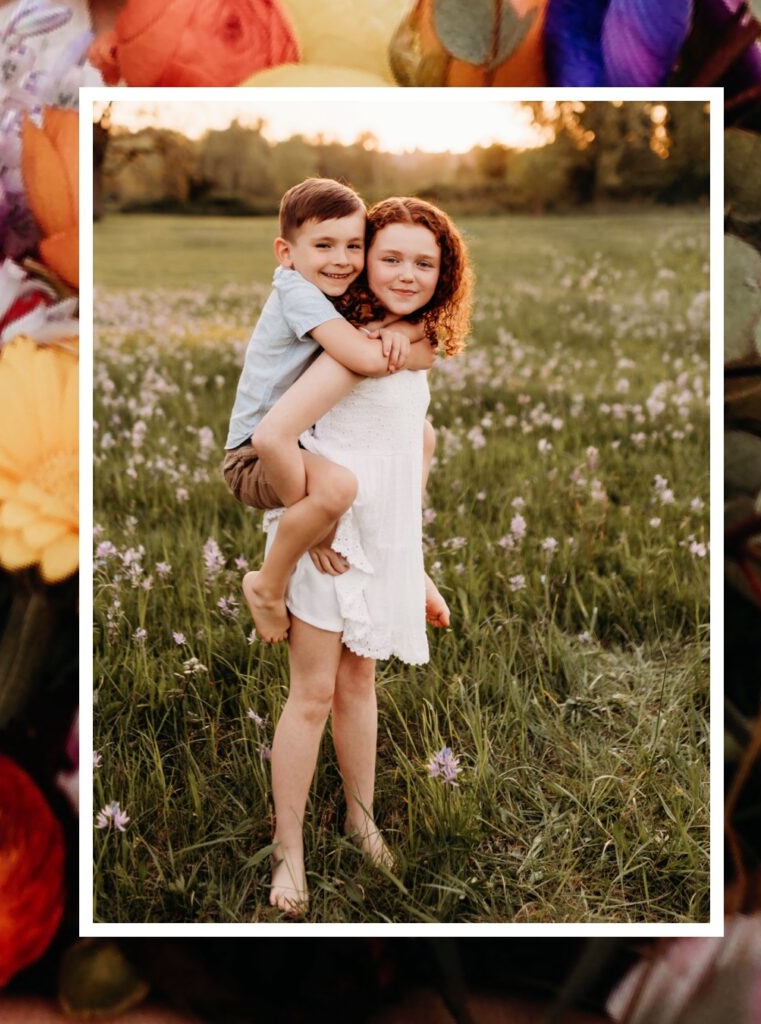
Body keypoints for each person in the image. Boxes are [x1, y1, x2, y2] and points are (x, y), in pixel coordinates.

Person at [257, 196, 473, 914]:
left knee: (360, 687)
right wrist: (315, 531)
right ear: (363, 260)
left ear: (444, 274)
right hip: (327, 543)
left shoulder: (407, 350)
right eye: (390, 258)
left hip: (380, 546)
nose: (407, 273)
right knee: (313, 695)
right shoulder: (351, 347)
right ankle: (288, 852)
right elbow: (278, 435)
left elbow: (416, 448)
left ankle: (359, 817)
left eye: (424, 262)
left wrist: (415, 570)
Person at [222, 178, 436, 641]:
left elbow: (416, 350)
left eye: (354, 246)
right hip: (253, 456)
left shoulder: (334, 286)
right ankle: (266, 584)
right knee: (337, 488)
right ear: (286, 252)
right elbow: (361, 358)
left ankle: (406, 564)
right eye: (324, 245)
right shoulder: (296, 291)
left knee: (423, 433)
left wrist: (401, 332)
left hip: (296, 441)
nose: (342, 260)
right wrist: (318, 525)